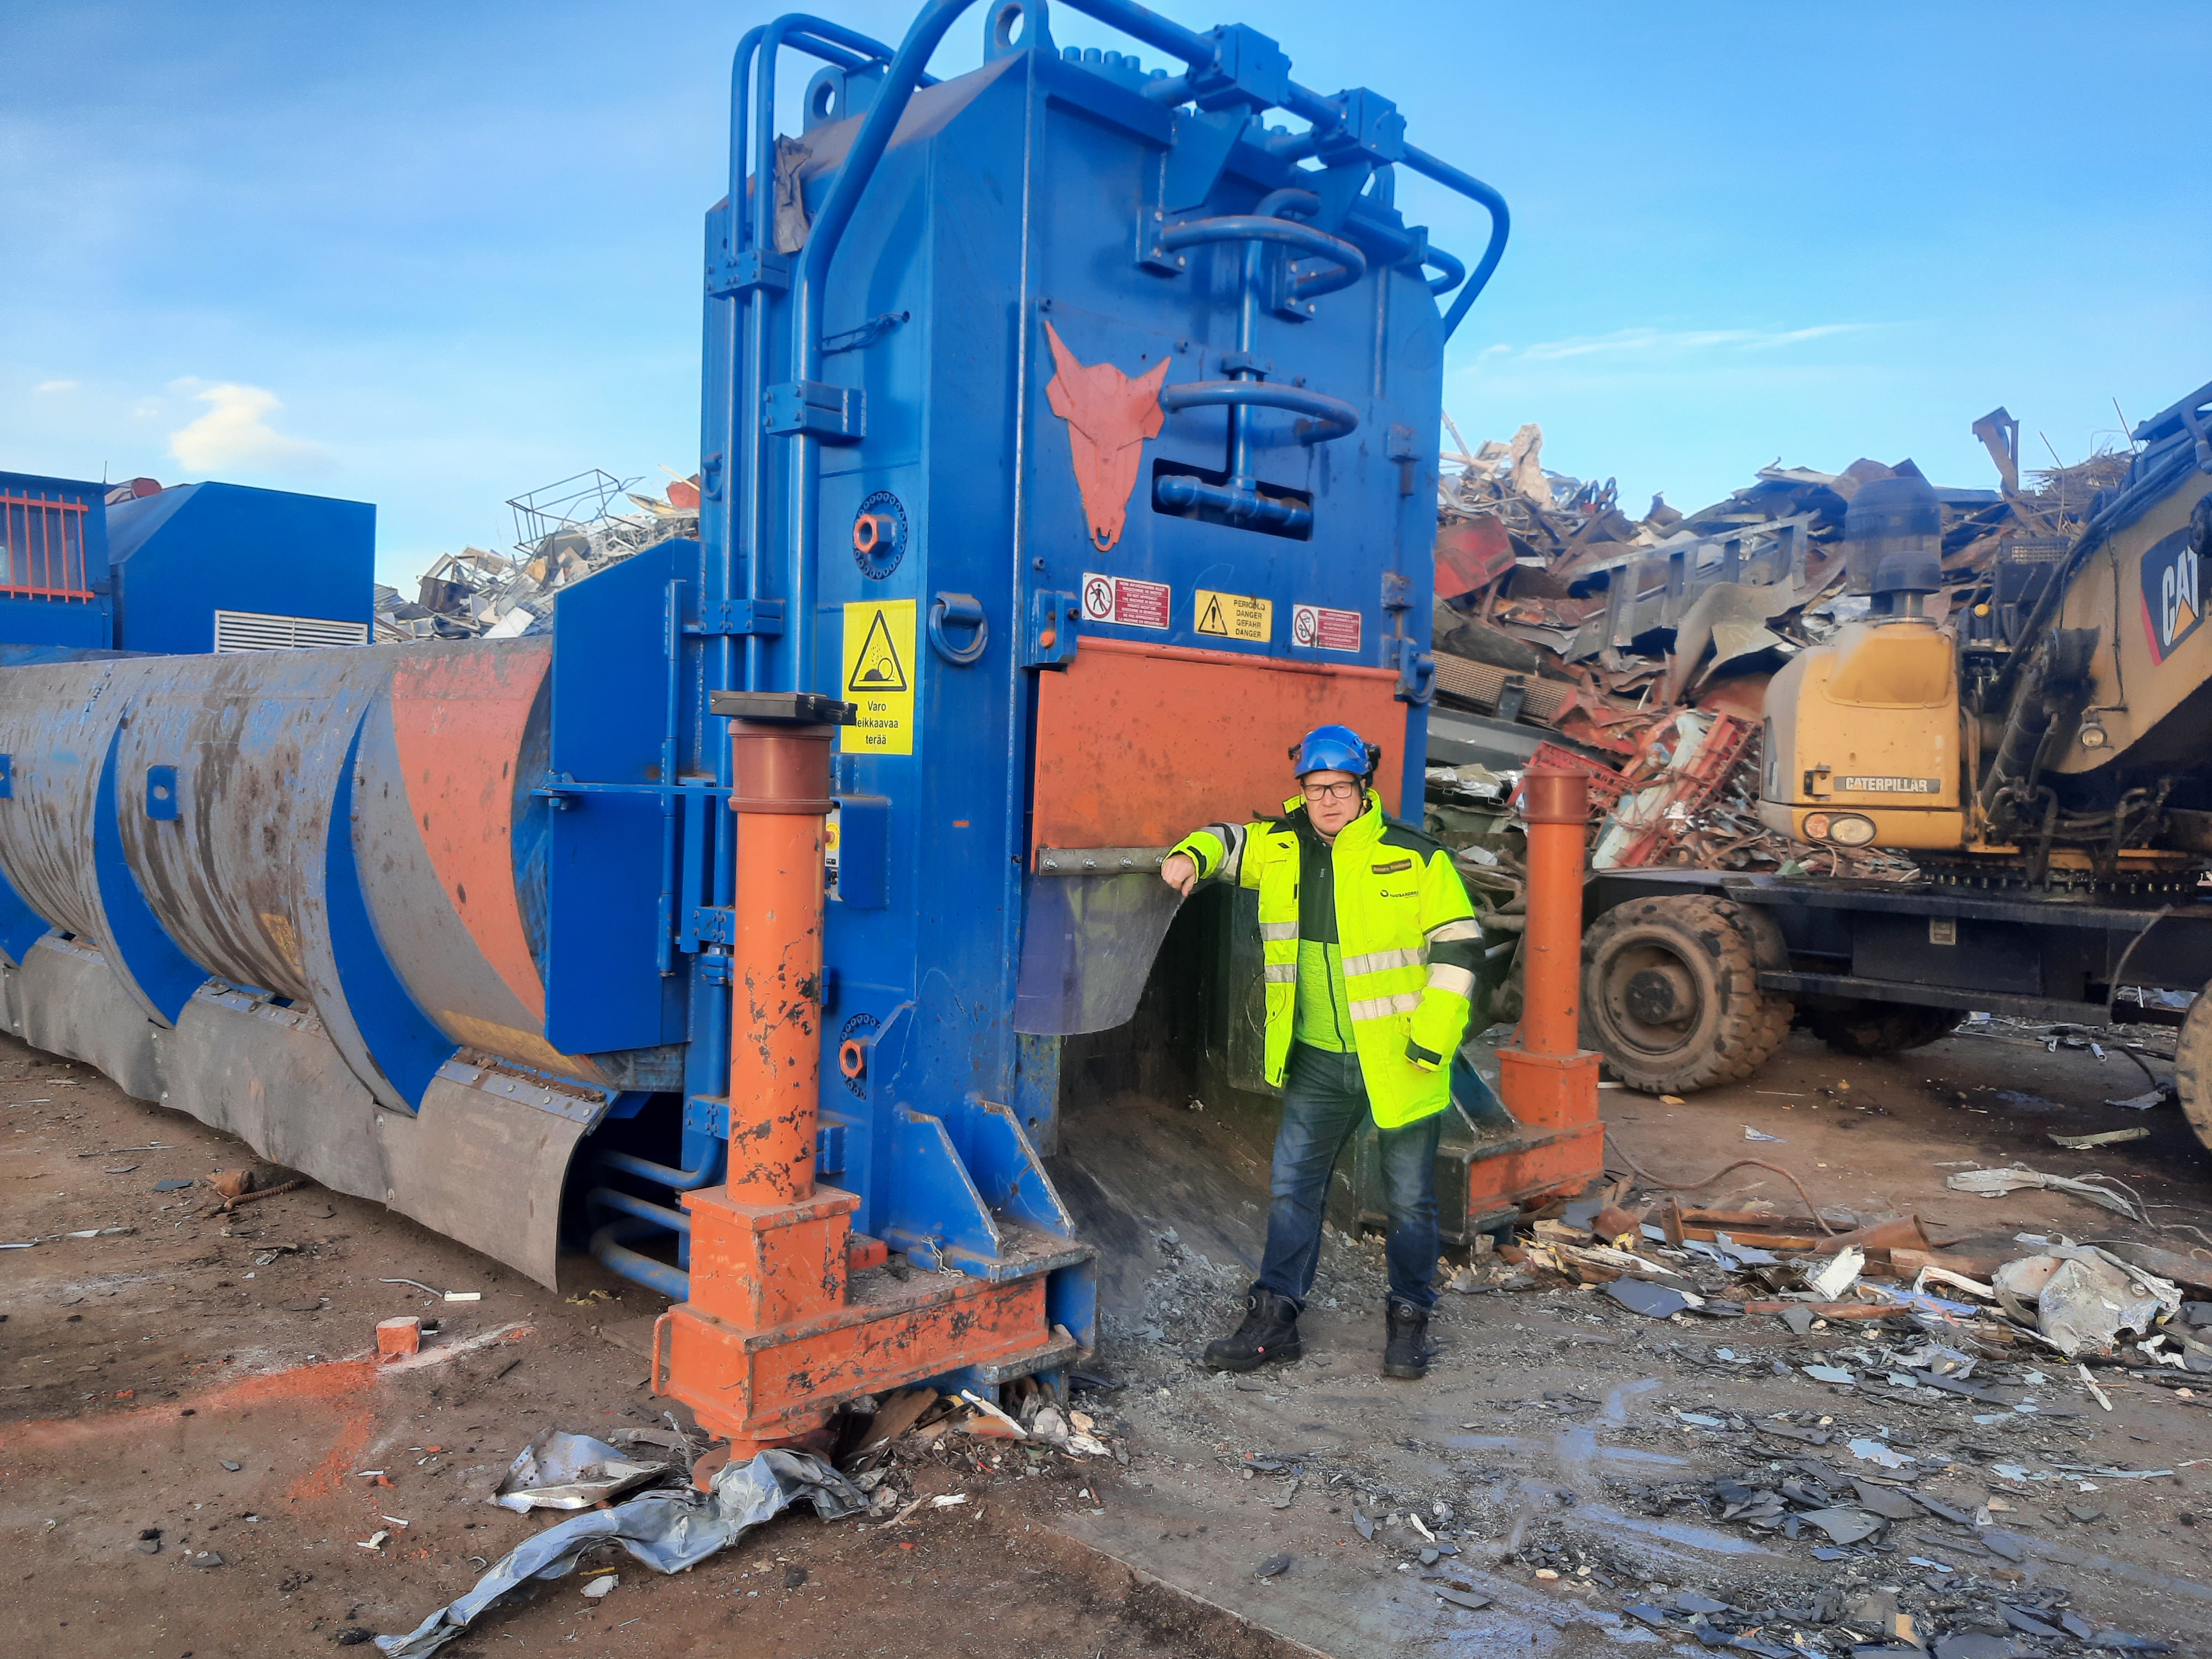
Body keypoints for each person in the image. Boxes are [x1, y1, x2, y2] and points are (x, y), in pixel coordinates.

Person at [1160, 723, 1484, 1380]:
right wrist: (1187, 858)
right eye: (1315, 789)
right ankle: (1274, 1319)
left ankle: (1409, 1321)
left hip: (1400, 1060)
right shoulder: (1279, 847)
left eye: (1339, 787)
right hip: (1316, 1057)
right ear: (1302, 792)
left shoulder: (1414, 857)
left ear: (1363, 788)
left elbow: (1459, 949)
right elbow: (1224, 841)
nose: (1328, 800)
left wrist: (1429, 1039)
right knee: (1292, 1190)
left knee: (1410, 1200)